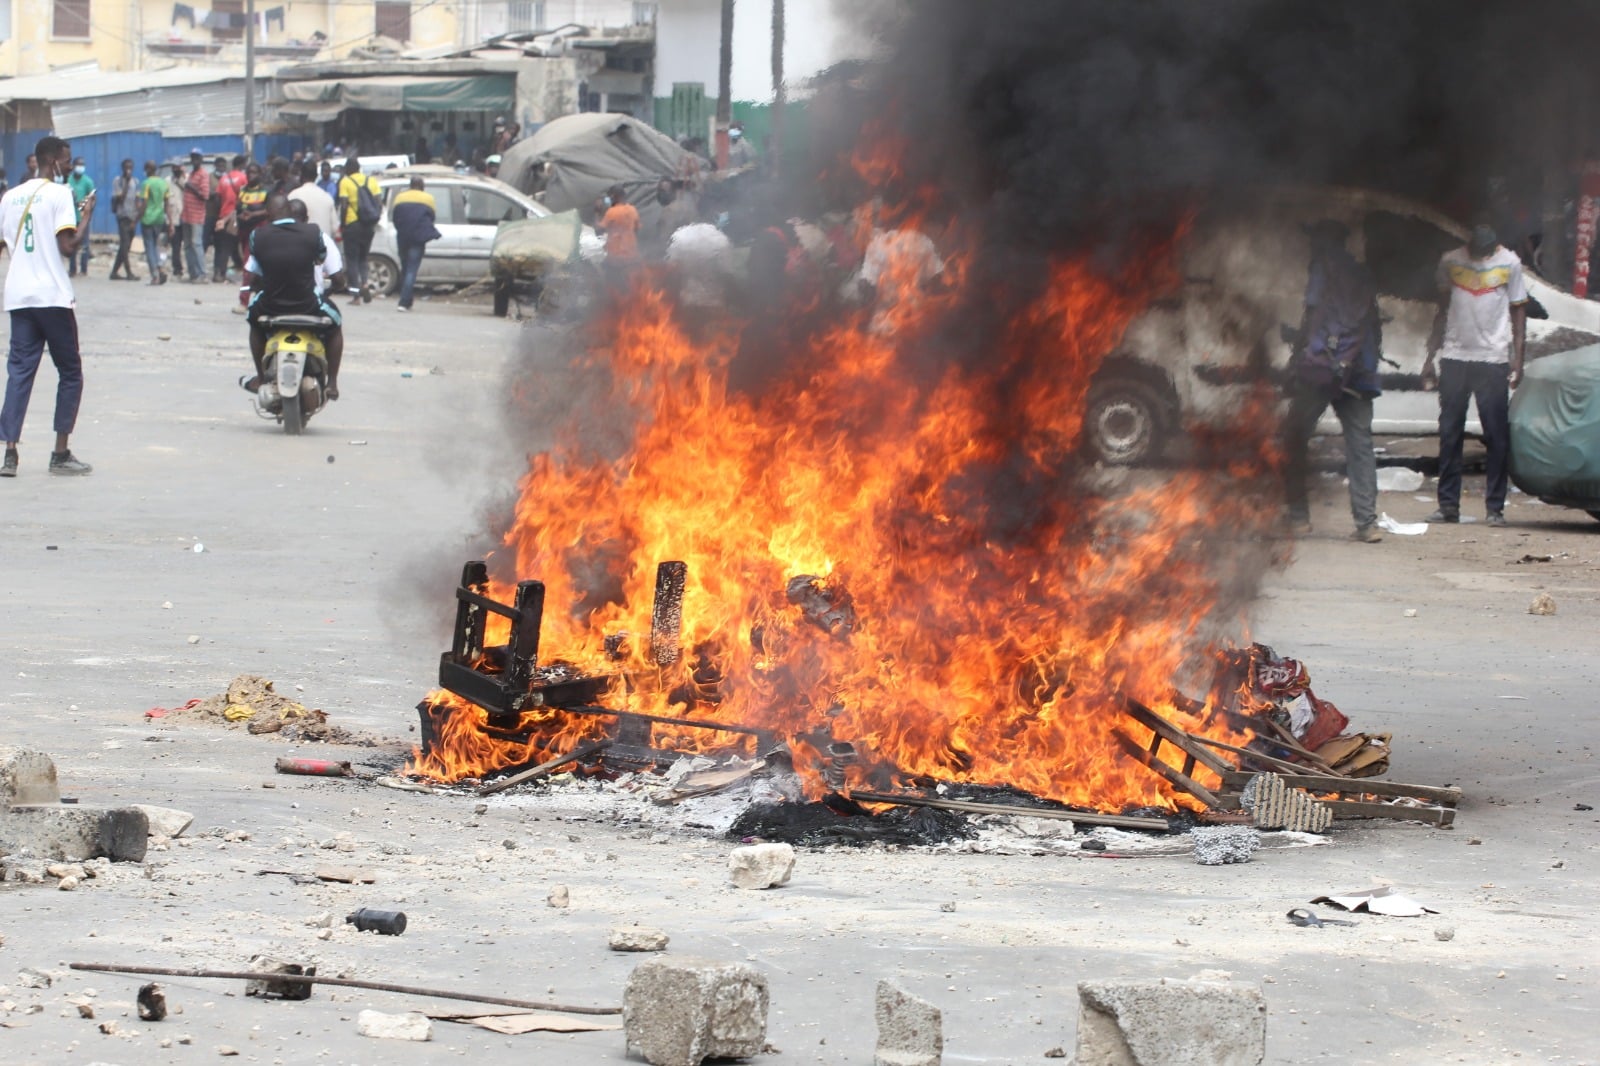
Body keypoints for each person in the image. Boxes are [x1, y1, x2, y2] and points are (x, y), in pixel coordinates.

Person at [1281, 220, 1383, 542]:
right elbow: (1373, 324)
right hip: (1359, 371)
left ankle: (1298, 518)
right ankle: (1366, 523)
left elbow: (1312, 316)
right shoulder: (1362, 274)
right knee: (1360, 446)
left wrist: (1298, 353)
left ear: (1321, 242)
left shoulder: (1322, 268)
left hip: (1320, 370)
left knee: (1294, 436)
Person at [0, 135, 96, 477]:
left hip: (19, 297)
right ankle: (60, 453)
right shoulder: (61, 195)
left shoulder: (9, 197)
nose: (71, 167)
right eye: (67, 161)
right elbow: (68, 247)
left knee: (19, 373)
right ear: (54, 159)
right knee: (70, 373)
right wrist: (86, 216)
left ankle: (9, 454)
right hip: (52, 298)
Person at [1422, 222, 1529, 527]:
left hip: (1492, 360)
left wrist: (1517, 361)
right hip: (1455, 358)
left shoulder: (1510, 263)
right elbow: (1441, 313)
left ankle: (1495, 508)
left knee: (1496, 437)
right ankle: (1448, 507)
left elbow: (1518, 316)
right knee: (1449, 434)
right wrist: (1430, 357)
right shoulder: (1451, 261)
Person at [242, 193, 344, 400]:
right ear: (290, 210)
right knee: (336, 324)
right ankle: (332, 383)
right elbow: (319, 259)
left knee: (253, 322)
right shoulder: (313, 232)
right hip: (308, 304)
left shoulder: (258, 235)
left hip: (271, 306)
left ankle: (261, 378)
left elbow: (254, 273)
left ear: (269, 215)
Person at [390, 176, 441, 312]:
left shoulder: (400, 197)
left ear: (410, 185)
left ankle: (407, 300)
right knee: (412, 270)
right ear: (422, 186)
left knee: (405, 268)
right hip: (418, 239)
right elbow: (431, 218)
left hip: (402, 237)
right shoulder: (428, 198)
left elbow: (395, 217)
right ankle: (403, 302)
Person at [336, 158, 382, 303]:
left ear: (349, 169)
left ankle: (356, 295)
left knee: (352, 260)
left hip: (352, 224)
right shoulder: (371, 181)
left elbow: (344, 205)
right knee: (363, 258)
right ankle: (365, 284)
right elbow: (379, 203)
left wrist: (342, 224)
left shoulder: (345, 181)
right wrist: (374, 220)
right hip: (368, 225)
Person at [285, 199, 345, 296]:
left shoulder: (270, 237)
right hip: (310, 301)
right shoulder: (321, 237)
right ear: (306, 219)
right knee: (334, 312)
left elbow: (256, 277)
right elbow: (338, 279)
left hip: (276, 302)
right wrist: (327, 293)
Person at [287, 161, 339, 243]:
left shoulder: (292, 196)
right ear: (316, 176)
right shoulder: (327, 197)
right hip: (323, 249)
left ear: (301, 174)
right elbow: (335, 229)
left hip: (299, 247)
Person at [180, 149, 212, 283]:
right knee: (187, 245)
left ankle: (202, 274)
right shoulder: (191, 174)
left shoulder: (203, 175)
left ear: (201, 159)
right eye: (193, 157)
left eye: (197, 158)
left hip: (197, 216)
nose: (195, 160)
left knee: (196, 244)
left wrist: (190, 187)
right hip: (186, 215)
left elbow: (205, 195)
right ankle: (193, 273)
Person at [109, 159, 142, 281]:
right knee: (124, 243)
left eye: (130, 168)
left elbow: (137, 200)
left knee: (126, 246)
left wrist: (138, 217)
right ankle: (129, 272)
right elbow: (120, 199)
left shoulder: (136, 181)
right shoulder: (118, 181)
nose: (128, 170)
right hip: (122, 216)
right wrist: (126, 184)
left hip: (132, 216)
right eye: (126, 167)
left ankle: (114, 272)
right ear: (122, 168)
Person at [138, 161, 170, 285]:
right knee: (157, 246)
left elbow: (144, 203)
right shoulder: (163, 183)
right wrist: (170, 221)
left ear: (147, 169)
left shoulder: (146, 183)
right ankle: (160, 267)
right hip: (159, 218)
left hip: (147, 218)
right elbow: (167, 203)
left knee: (149, 247)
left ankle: (155, 275)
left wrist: (137, 218)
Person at [211, 157, 241, 282]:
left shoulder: (223, 179)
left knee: (223, 246)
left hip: (224, 216)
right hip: (237, 216)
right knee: (236, 244)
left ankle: (219, 272)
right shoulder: (243, 177)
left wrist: (220, 214)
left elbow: (218, 199)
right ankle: (223, 273)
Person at [597, 183, 640, 264]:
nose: (608, 200)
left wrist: (597, 211)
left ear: (613, 197)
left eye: (609, 197)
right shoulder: (633, 210)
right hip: (632, 255)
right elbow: (636, 230)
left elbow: (599, 231)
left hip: (616, 257)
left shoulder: (611, 212)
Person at [65, 158, 95, 277]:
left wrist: (89, 214)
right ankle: (72, 269)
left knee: (84, 244)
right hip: (70, 217)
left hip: (83, 217)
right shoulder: (68, 180)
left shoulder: (88, 181)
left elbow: (92, 198)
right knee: (72, 243)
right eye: (78, 165)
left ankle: (84, 269)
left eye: (82, 165)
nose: (80, 167)